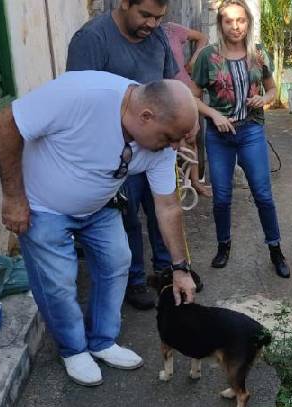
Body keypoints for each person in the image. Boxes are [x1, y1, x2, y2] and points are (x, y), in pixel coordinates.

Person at [0, 71, 198, 386]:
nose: (173, 147)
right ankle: (73, 349)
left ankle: (102, 341)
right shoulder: (84, 94)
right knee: (58, 283)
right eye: (169, 137)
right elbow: (8, 122)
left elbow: (168, 206)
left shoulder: (159, 147)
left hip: (99, 205)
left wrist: (181, 268)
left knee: (118, 261)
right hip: (43, 207)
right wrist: (13, 196)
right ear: (146, 116)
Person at [66, 0, 180, 310]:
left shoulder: (157, 37)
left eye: (159, 17)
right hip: (117, 153)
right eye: (145, 15)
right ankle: (135, 280)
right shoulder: (92, 39)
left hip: (156, 149)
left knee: (162, 212)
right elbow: (78, 101)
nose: (152, 24)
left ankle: (167, 272)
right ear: (124, 2)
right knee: (126, 218)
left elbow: (171, 85)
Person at [190, 0, 290, 278]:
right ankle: (223, 246)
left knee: (263, 195)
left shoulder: (258, 54)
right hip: (219, 137)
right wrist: (214, 115)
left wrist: (264, 98)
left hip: (251, 132)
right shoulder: (208, 56)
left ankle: (275, 249)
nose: (236, 27)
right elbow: (192, 96)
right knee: (221, 198)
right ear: (220, 24)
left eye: (241, 20)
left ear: (248, 22)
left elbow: (271, 89)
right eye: (229, 21)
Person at [161, 21, 212, 198]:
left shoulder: (172, 29)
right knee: (172, 141)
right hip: (162, 95)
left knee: (192, 138)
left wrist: (195, 58)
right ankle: (171, 187)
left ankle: (196, 182)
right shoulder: (145, 36)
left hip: (186, 90)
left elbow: (202, 38)